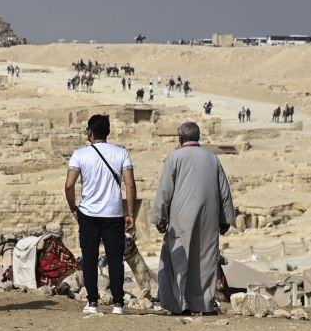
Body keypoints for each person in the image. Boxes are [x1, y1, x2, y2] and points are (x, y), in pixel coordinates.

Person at [151, 122, 235, 316]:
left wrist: (160, 217)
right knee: (205, 258)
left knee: (180, 258)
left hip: (182, 215)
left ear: (181, 137)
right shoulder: (212, 158)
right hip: (209, 216)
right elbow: (224, 191)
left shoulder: (175, 157)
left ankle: (180, 304)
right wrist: (225, 219)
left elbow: (165, 190)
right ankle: (204, 303)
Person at [64, 113, 135, 316]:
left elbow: (69, 185)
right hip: (113, 213)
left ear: (90, 132)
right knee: (115, 259)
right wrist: (129, 213)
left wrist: (73, 208)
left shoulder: (80, 154)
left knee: (90, 257)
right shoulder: (121, 153)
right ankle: (119, 304)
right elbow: (130, 184)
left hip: (88, 214)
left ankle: (92, 303)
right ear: (108, 132)